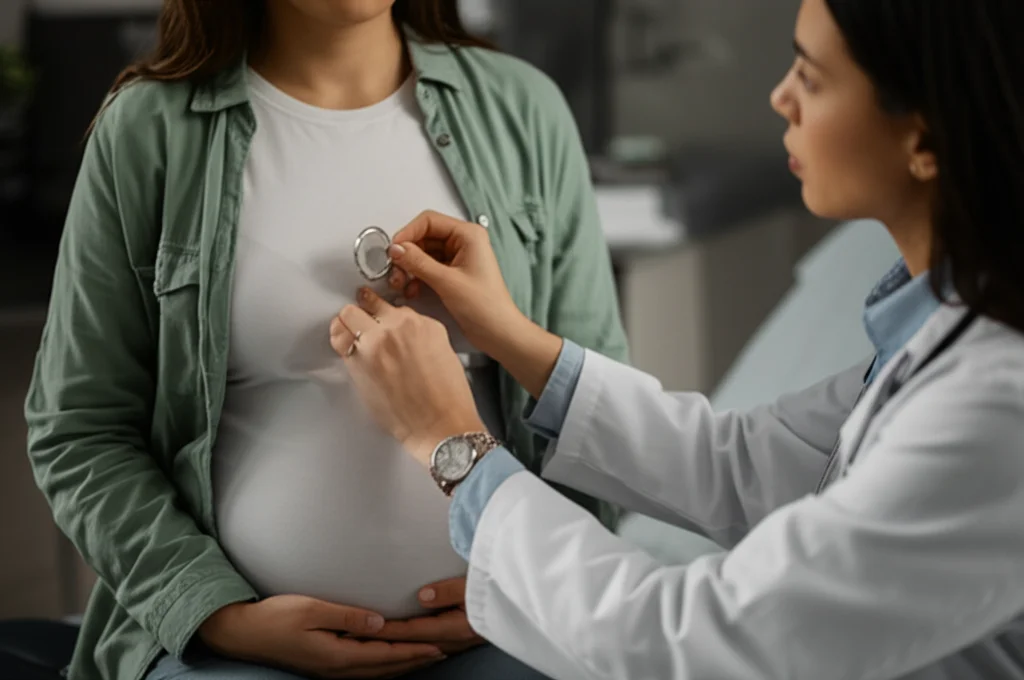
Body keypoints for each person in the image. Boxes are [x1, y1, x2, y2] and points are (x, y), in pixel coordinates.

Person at [330, 0, 1024, 677]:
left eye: (810, 77)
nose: (781, 97)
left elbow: (683, 642)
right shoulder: (945, 327)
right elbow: (742, 465)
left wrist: (455, 446)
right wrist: (514, 338)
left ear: (925, 138)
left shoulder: (993, 407)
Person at [23, 1, 628, 679]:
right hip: (238, 651)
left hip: (500, 631)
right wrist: (215, 614)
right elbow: (79, 429)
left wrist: (532, 585)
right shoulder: (146, 132)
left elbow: (599, 410)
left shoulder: (525, 110)